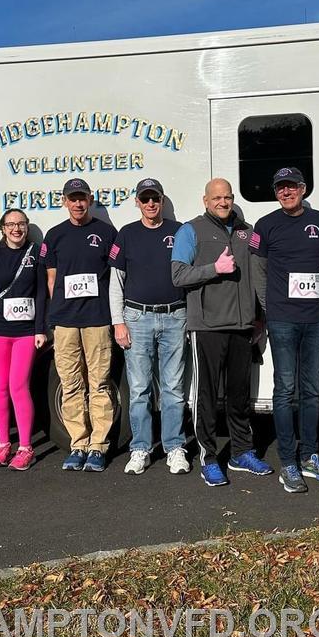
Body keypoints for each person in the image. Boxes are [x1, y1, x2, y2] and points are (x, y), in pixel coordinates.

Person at [172, 178, 273, 487]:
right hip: (207, 327)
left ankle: (241, 452)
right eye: (217, 197)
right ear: (206, 200)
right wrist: (214, 268)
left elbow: (258, 275)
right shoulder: (190, 231)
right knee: (206, 397)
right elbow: (177, 275)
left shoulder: (247, 231)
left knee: (239, 396)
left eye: (227, 197)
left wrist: (261, 317)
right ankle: (209, 457)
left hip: (243, 327)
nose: (223, 202)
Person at [250, 167, 319, 494]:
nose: (286, 193)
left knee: (312, 389)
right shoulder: (266, 225)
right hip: (283, 319)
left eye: (291, 187)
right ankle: (288, 459)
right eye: (280, 188)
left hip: (315, 319)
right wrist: (268, 307)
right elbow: (257, 269)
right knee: (285, 388)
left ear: (303, 189)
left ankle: (311, 456)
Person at [109, 179, 190, 475]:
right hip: (137, 318)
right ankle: (141, 448)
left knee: (173, 388)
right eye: (145, 199)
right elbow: (115, 282)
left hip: (174, 316)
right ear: (137, 202)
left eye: (155, 198)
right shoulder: (127, 234)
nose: (151, 204)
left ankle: (174, 447)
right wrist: (118, 321)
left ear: (162, 199)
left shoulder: (179, 231)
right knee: (140, 388)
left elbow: (189, 273)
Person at [45, 178, 117, 473]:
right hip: (65, 322)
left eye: (82, 198)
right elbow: (51, 279)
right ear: (64, 201)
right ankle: (78, 442)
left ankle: (98, 445)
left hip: (97, 320)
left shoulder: (106, 232)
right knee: (71, 384)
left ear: (90, 199)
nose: (77, 203)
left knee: (99, 383)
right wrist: (59, 312)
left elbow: (115, 277)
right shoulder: (55, 235)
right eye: (72, 198)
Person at [0, 209, 47, 471]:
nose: (16, 229)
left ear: (27, 227)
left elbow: (40, 293)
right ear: (2, 228)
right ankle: (3, 444)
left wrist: (40, 329)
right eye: (11, 224)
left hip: (25, 333)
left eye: (21, 224)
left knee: (18, 387)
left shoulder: (36, 253)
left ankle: (25, 447)